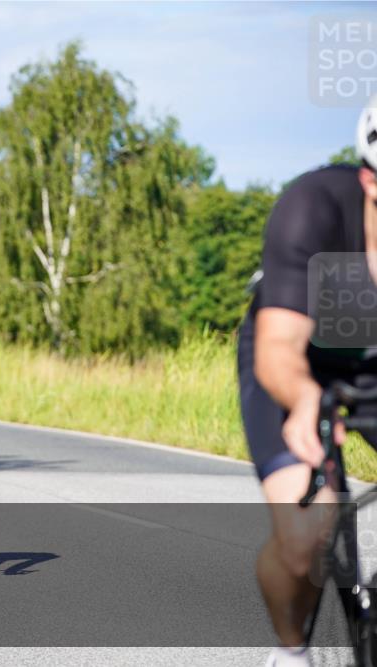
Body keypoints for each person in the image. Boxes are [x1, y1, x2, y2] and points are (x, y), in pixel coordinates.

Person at [239, 97, 377, 666]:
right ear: (370, 180)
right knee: (305, 539)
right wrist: (303, 402)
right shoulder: (315, 208)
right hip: (297, 363)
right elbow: (278, 351)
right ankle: (291, 651)